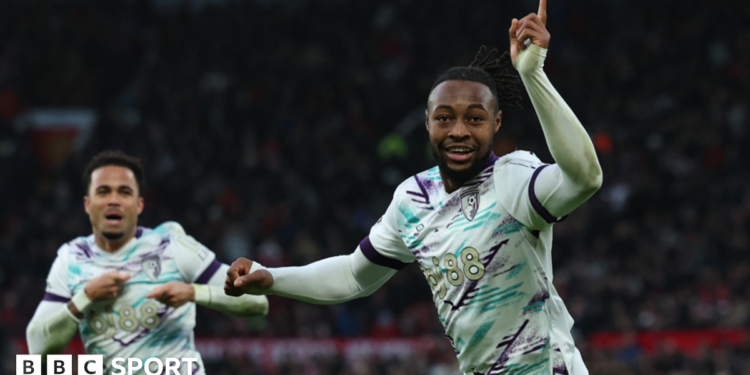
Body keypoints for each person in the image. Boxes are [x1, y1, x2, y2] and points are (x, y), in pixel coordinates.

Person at [225, 0, 600, 374]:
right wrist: (271, 278)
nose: (458, 131)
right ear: (427, 124)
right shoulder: (413, 199)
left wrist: (533, 75)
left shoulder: (513, 179)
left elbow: (585, 177)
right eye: (444, 118)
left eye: (474, 118)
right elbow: (354, 276)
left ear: (496, 123)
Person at [26, 151, 269, 375]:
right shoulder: (72, 258)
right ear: (88, 204)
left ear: (139, 204)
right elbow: (37, 346)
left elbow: (257, 302)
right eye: (103, 192)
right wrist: (85, 297)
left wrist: (194, 292)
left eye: (124, 192)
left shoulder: (172, 246)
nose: (114, 200)